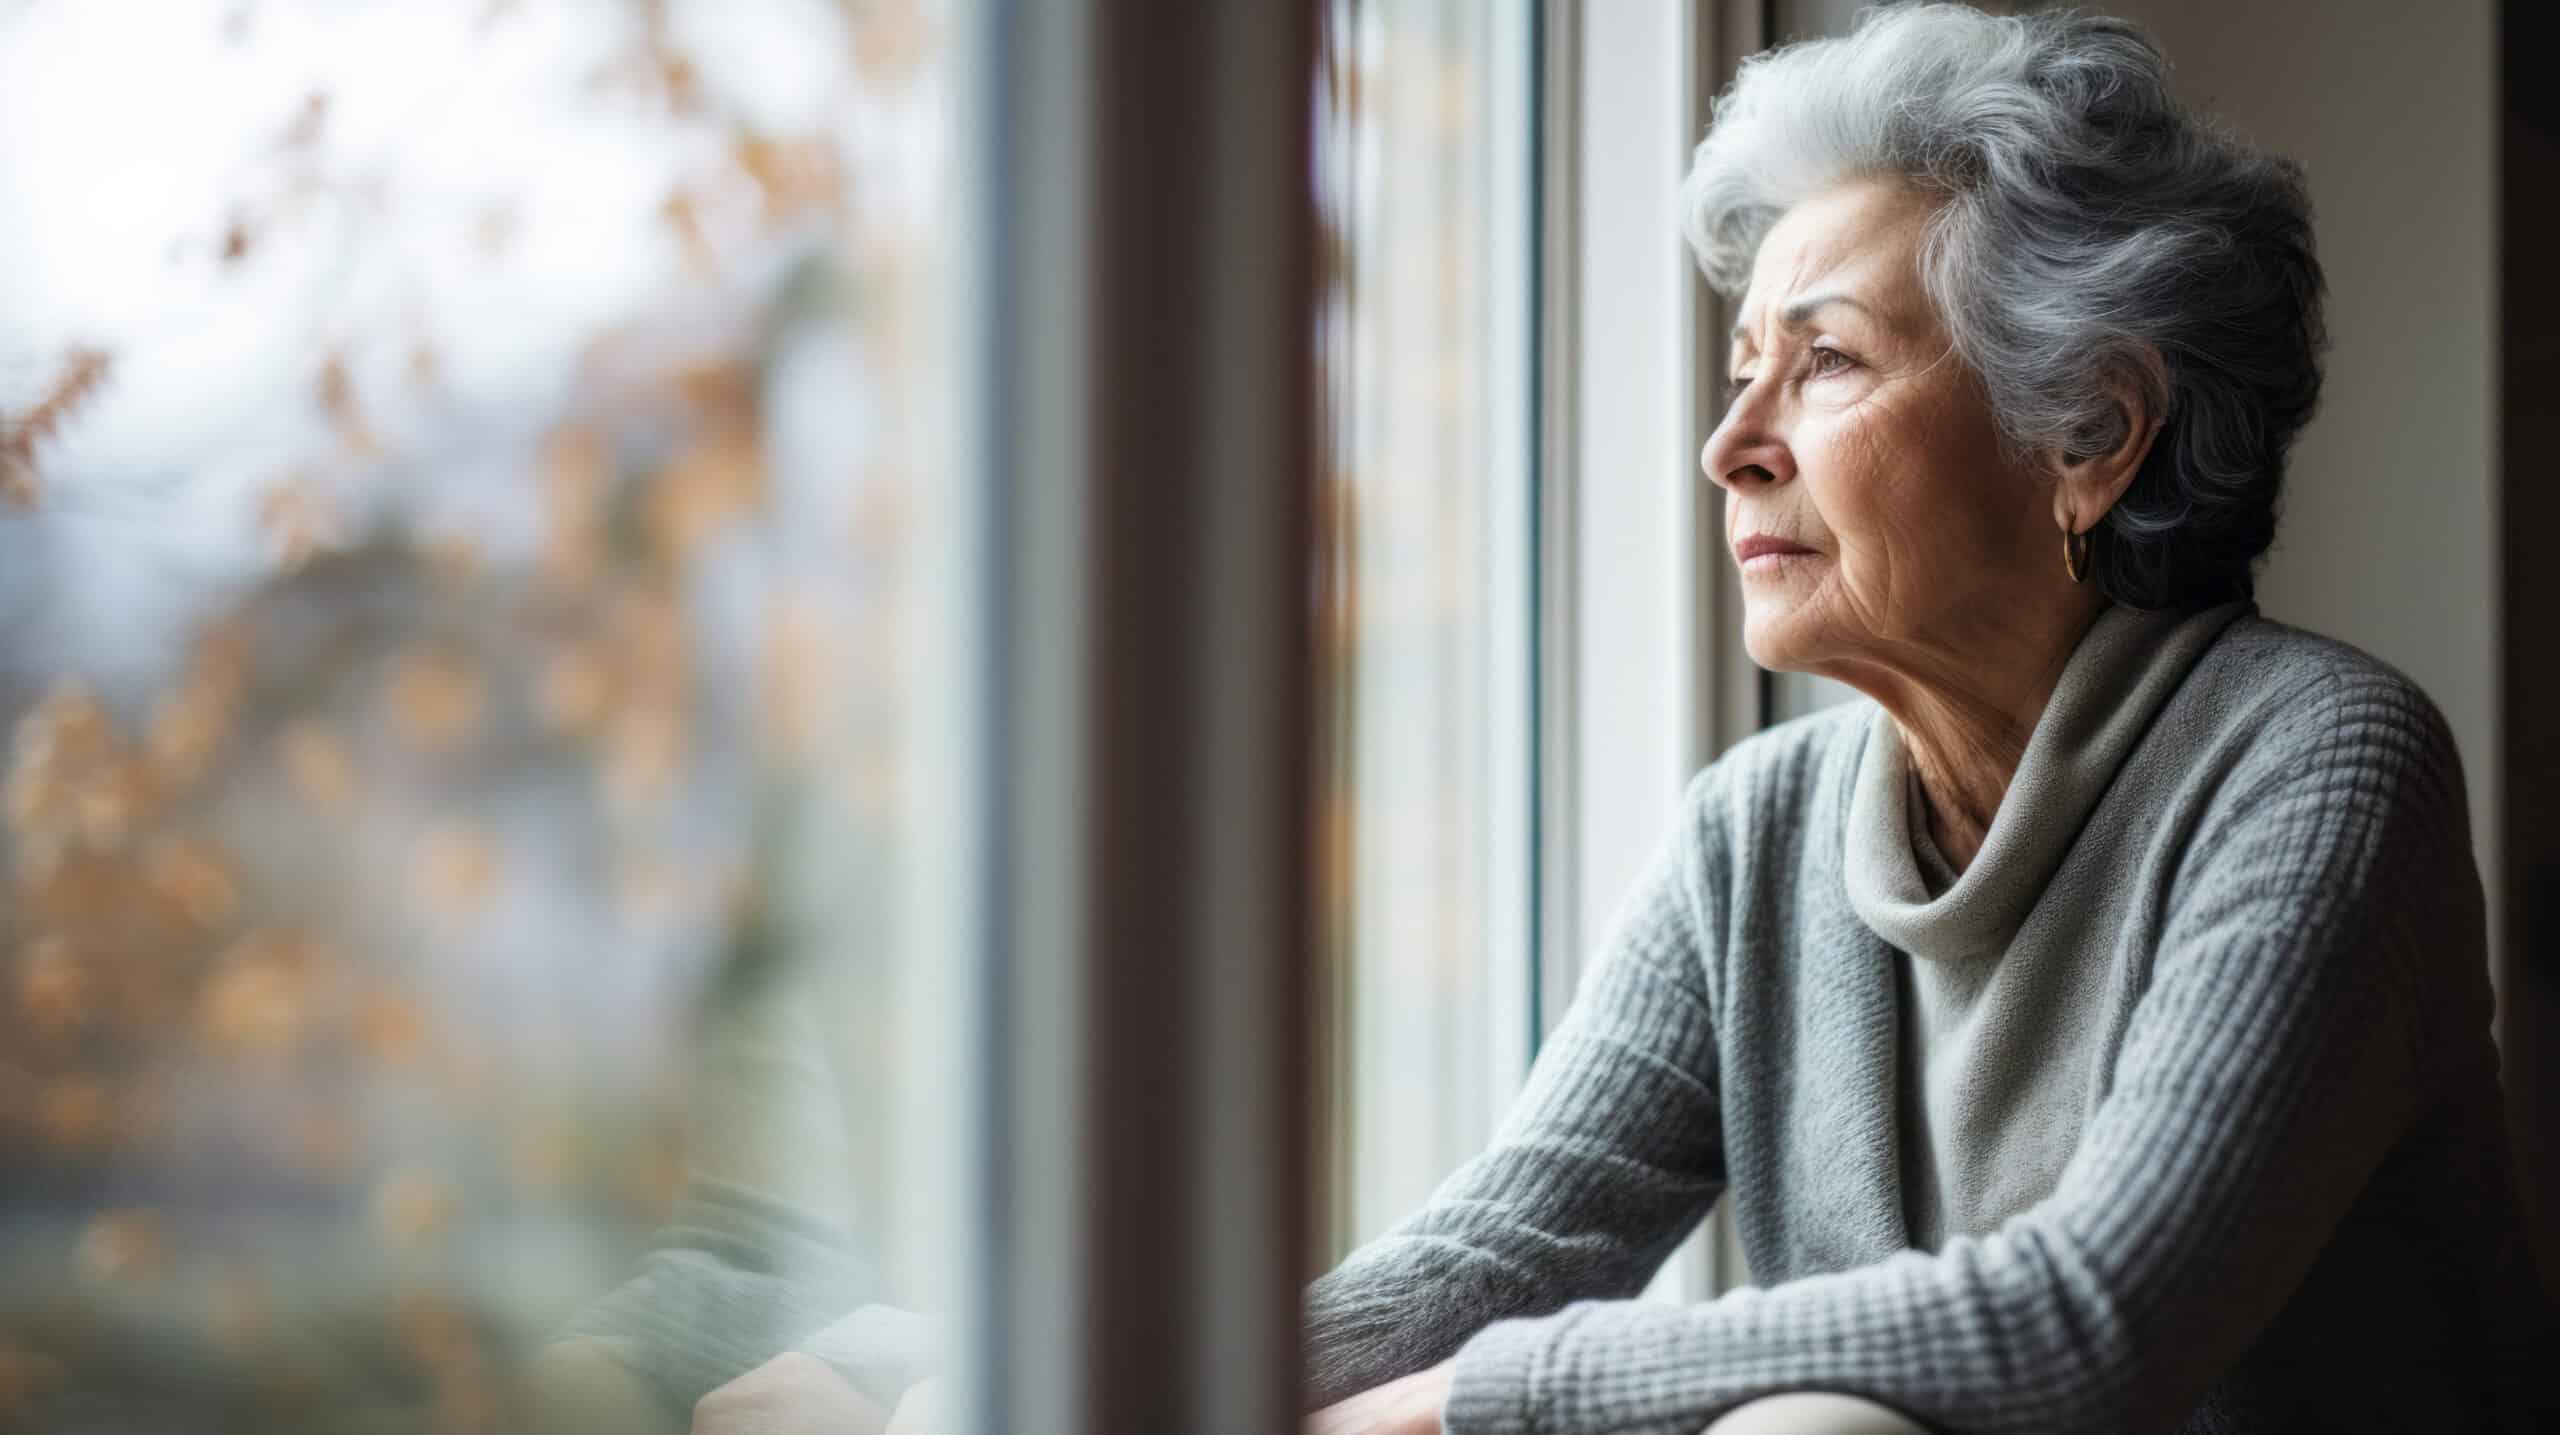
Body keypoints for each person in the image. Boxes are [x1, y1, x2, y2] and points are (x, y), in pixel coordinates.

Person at [1303, 6, 2549, 1433]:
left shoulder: (2321, 763)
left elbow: (2087, 1322)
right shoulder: (1754, 833)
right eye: (1738, 373)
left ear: (2086, 433)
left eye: (1824, 362)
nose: (1731, 446)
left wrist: (1471, 1404)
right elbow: (1500, 1253)